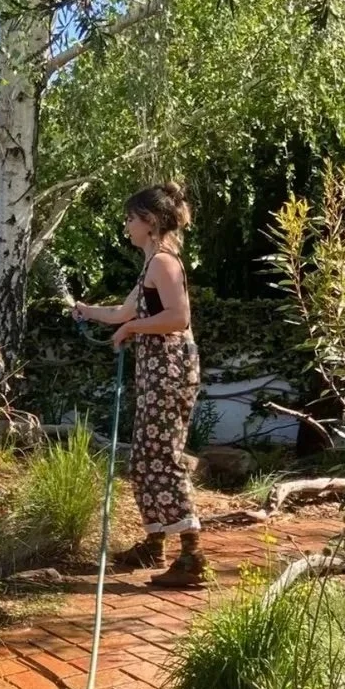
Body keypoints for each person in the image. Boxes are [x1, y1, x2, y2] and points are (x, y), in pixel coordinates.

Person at [72, 183, 208, 588]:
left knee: (162, 456)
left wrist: (132, 327)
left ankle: (192, 556)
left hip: (170, 370)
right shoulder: (150, 264)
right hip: (156, 371)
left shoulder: (165, 263)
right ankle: (155, 542)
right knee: (145, 458)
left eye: (131, 218)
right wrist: (87, 312)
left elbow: (178, 318)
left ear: (149, 223)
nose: (126, 225)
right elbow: (123, 311)